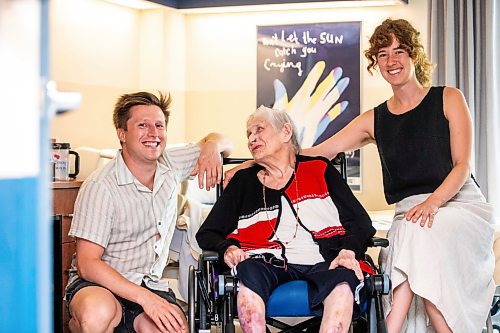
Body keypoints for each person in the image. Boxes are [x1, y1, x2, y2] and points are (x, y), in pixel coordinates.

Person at [304, 19, 495, 333]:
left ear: (414, 55)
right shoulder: (374, 119)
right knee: (413, 233)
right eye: (382, 54)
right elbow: (319, 152)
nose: (391, 60)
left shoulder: (448, 98)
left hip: (459, 206)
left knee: (415, 233)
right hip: (410, 216)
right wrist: (254, 163)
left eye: (399, 50)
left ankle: (390, 327)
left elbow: (462, 166)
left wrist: (433, 203)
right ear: (375, 63)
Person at [196, 106, 376, 333]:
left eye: (259, 129)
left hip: (324, 260)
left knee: (342, 283)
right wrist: (228, 247)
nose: (252, 139)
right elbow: (207, 232)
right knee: (247, 274)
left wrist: (348, 251)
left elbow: (360, 222)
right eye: (248, 134)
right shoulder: (244, 182)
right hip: (264, 262)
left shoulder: (320, 170)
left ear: (285, 132)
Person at [64, 91, 232, 333]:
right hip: (99, 285)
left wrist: (211, 148)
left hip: (149, 283)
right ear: (122, 134)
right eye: (142, 125)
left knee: (171, 328)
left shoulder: (171, 162)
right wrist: (147, 299)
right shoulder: (100, 186)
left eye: (159, 125)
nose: (153, 133)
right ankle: (80, 324)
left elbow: (224, 139)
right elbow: (88, 264)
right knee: (97, 314)